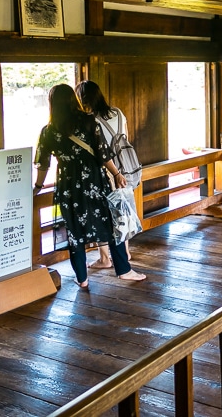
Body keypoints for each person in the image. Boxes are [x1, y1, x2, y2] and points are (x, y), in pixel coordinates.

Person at [34, 84, 146, 289]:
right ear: (72, 100)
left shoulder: (48, 131)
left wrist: (38, 186)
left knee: (74, 231)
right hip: (95, 181)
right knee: (112, 224)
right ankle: (124, 270)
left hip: (68, 186)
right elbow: (104, 154)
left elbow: (43, 163)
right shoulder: (89, 121)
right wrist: (117, 174)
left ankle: (82, 278)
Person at [75, 80, 139, 269]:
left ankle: (105, 259)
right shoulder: (118, 113)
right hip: (126, 167)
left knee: (102, 214)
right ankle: (125, 252)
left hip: (107, 171)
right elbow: (124, 138)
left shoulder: (90, 120)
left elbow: (99, 151)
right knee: (122, 211)